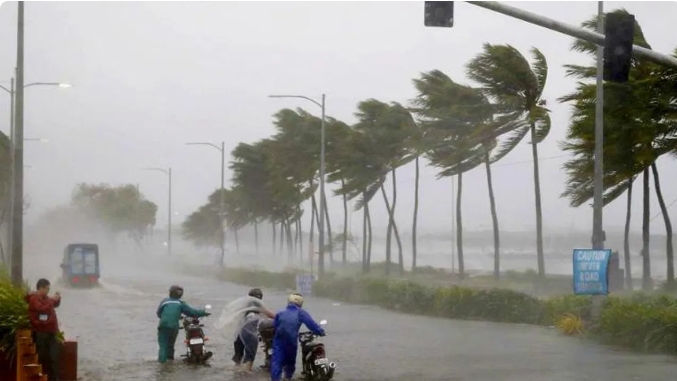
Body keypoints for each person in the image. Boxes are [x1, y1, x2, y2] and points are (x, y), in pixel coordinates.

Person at [270, 293, 325, 381]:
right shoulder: (301, 313)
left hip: (279, 340)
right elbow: (311, 324)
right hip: (291, 340)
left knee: (276, 361)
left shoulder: (280, 312)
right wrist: (321, 332)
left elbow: (275, 326)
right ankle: (287, 378)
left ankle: (275, 379)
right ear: (300, 303)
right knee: (290, 361)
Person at [156, 285, 210, 363]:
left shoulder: (164, 301)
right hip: (174, 327)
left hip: (163, 326)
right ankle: (170, 362)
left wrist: (169, 316)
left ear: (170, 293)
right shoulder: (180, 303)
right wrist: (203, 312)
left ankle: (162, 364)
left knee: (163, 346)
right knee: (170, 346)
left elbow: (158, 314)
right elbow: (192, 312)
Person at [232, 288, 275, 371]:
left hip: (238, 333)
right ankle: (246, 375)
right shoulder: (257, 305)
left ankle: (236, 374)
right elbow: (270, 315)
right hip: (249, 333)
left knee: (238, 357)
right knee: (249, 358)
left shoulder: (244, 305)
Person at [27, 278, 61, 381]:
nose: (48, 291)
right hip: (41, 331)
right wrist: (53, 300)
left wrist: (57, 298)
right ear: (40, 288)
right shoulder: (34, 298)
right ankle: (43, 377)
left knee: (53, 357)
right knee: (43, 357)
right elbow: (42, 308)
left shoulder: (46, 298)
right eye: (47, 288)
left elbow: (54, 304)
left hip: (50, 330)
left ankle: (53, 378)